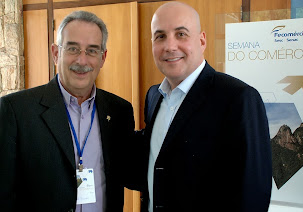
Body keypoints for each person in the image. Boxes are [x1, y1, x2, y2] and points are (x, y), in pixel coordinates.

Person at [140, 2, 272, 212]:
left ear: (202, 41)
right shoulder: (154, 96)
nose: (170, 46)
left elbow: (254, 193)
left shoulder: (238, 98)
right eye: (160, 36)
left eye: (181, 34)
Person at [0, 11, 136, 212]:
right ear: (56, 53)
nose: (82, 61)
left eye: (92, 50)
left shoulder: (119, 111)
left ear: (103, 57)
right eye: (73, 48)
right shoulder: (16, 110)